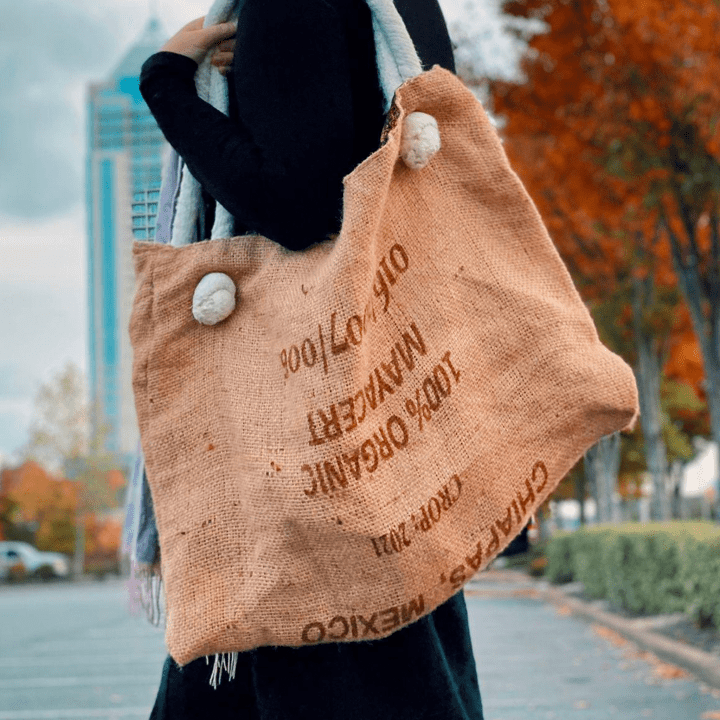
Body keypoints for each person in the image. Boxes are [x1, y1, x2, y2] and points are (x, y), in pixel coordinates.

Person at [138, 0, 485, 717]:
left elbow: (294, 203)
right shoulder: (408, 8)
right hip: (386, 418)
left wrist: (168, 81)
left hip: (302, 443)